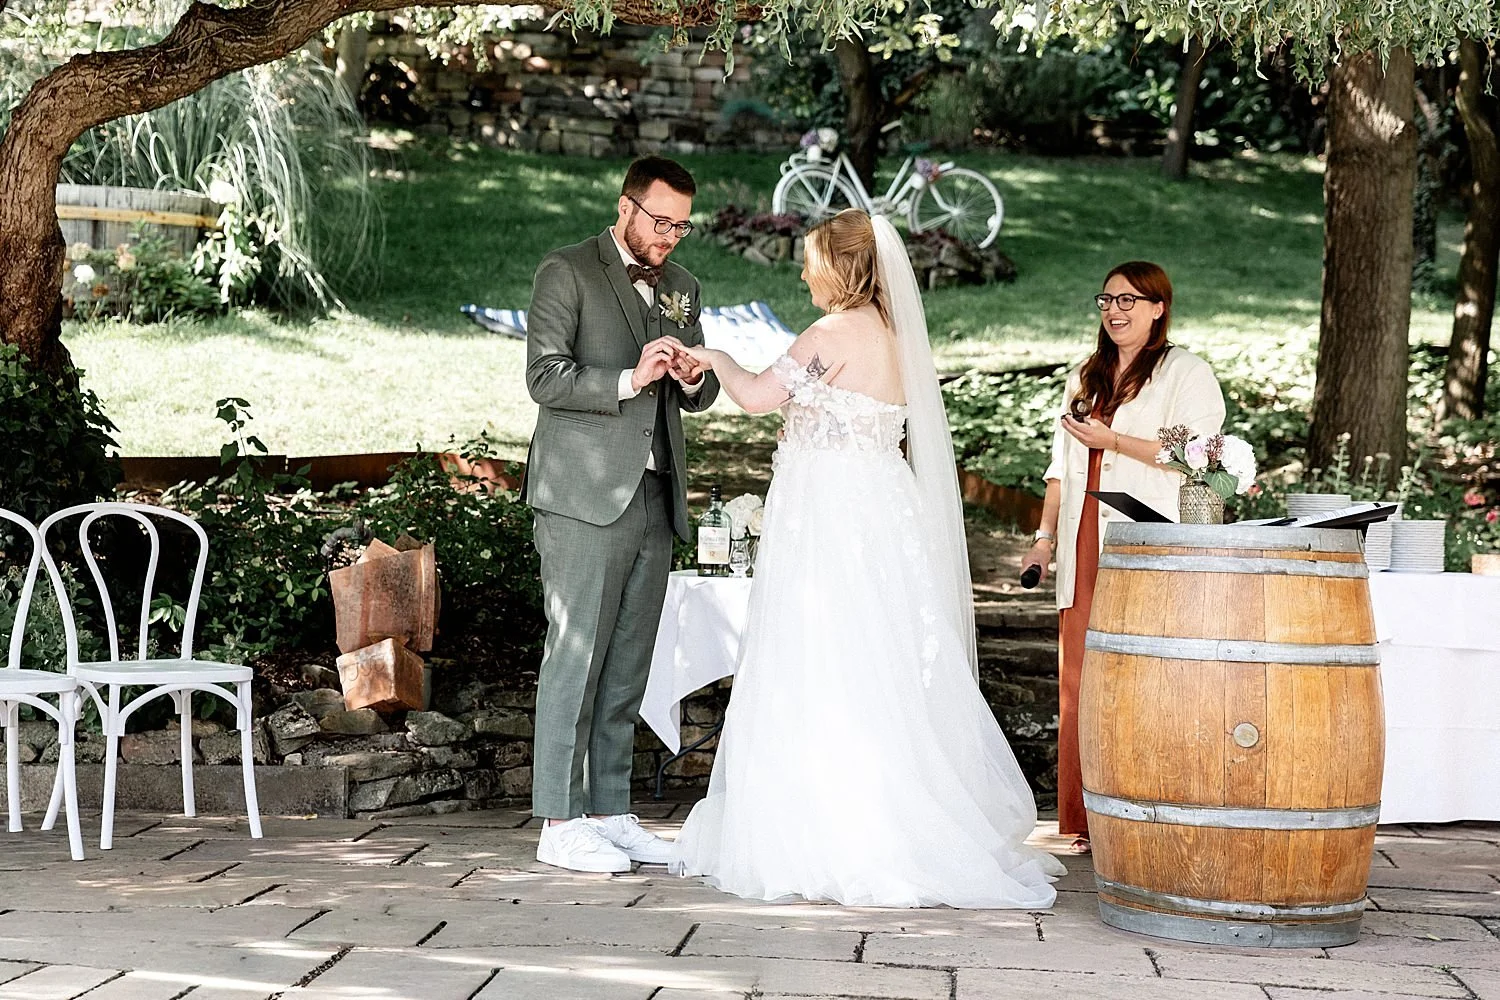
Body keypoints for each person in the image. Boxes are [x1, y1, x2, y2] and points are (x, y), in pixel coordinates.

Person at [667, 209, 1064, 908]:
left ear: (840, 268)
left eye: (811, 261)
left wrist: (715, 358)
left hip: (828, 516)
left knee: (820, 653)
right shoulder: (896, 336)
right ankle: (898, 814)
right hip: (881, 510)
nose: (801, 273)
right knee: (879, 656)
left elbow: (762, 397)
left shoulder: (834, 333)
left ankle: (829, 829)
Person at [521, 156, 720, 873]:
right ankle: (558, 819)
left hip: (656, 494)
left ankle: (608, 809)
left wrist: (696, 378)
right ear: (626, 207)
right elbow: (543, 376)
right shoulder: (566, 271)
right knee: (575, 658)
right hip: (581, 495)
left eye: (681, 227)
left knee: (627, 664)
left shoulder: (685, 289)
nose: (669, 238)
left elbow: (693, 396)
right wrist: (630, 377)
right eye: (659, 221)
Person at [1020, 261, 1225, 855]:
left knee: (1141, 673)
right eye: (1106, 300)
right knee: (1081, 676)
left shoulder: (1186, 372)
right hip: (1084, 537)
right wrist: (1043, 537)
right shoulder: (1087, 376)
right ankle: (1082, 821)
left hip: (1145, 538)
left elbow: (1198, 455)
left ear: (1159, 307)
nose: (1115, 310)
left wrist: (1113, 441)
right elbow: (1061, 466)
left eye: (1130, 300)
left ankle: (1143, 813)